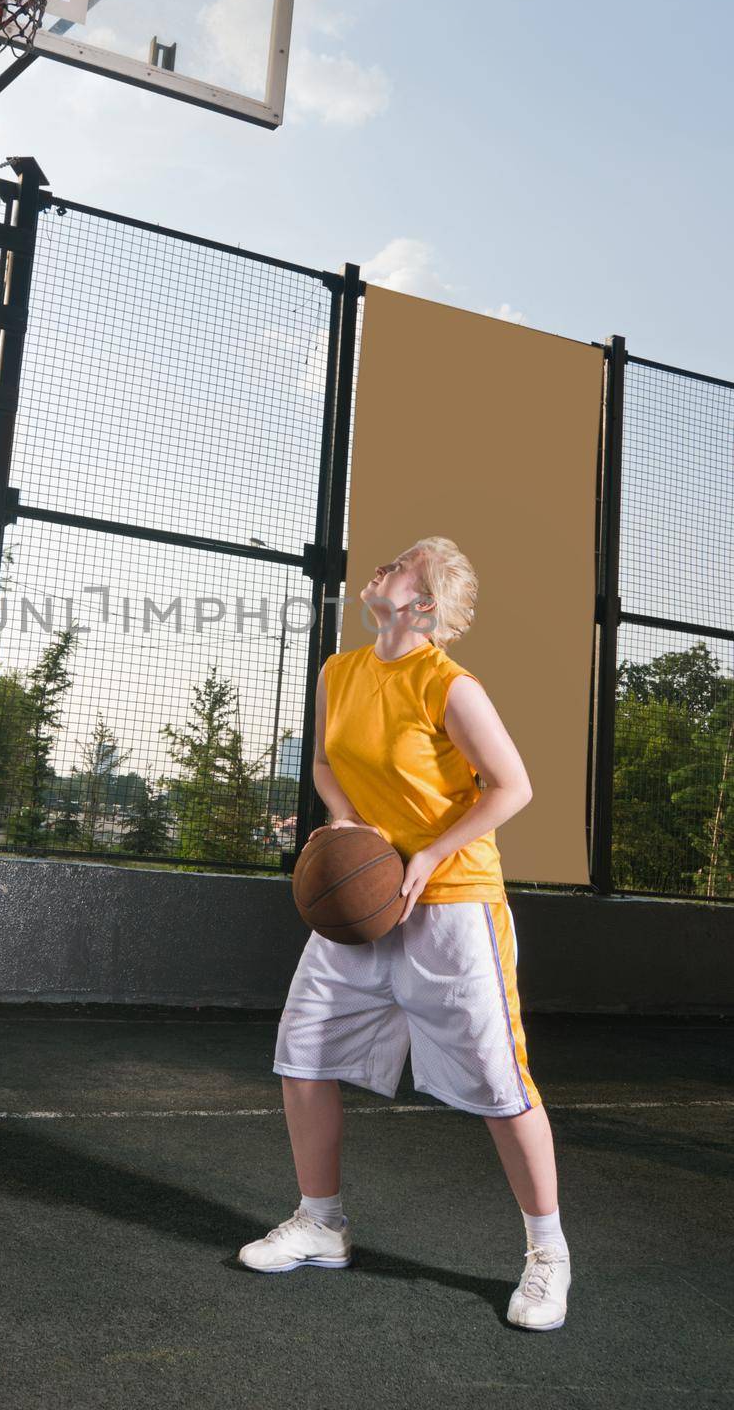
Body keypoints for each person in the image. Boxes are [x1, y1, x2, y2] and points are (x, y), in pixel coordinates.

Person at [238, 537, 571, 1331]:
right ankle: (320, 1224)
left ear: (421, 605)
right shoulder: (339, 671)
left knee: (499, 1084)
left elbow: (513, 786)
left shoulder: (448, 684)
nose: (380, 569)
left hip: (452, 902)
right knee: (303, 1051)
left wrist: (426, 853)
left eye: (398, 567)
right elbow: (324, 764)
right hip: (366, 902)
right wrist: (352, 834)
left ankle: (547, 1256)